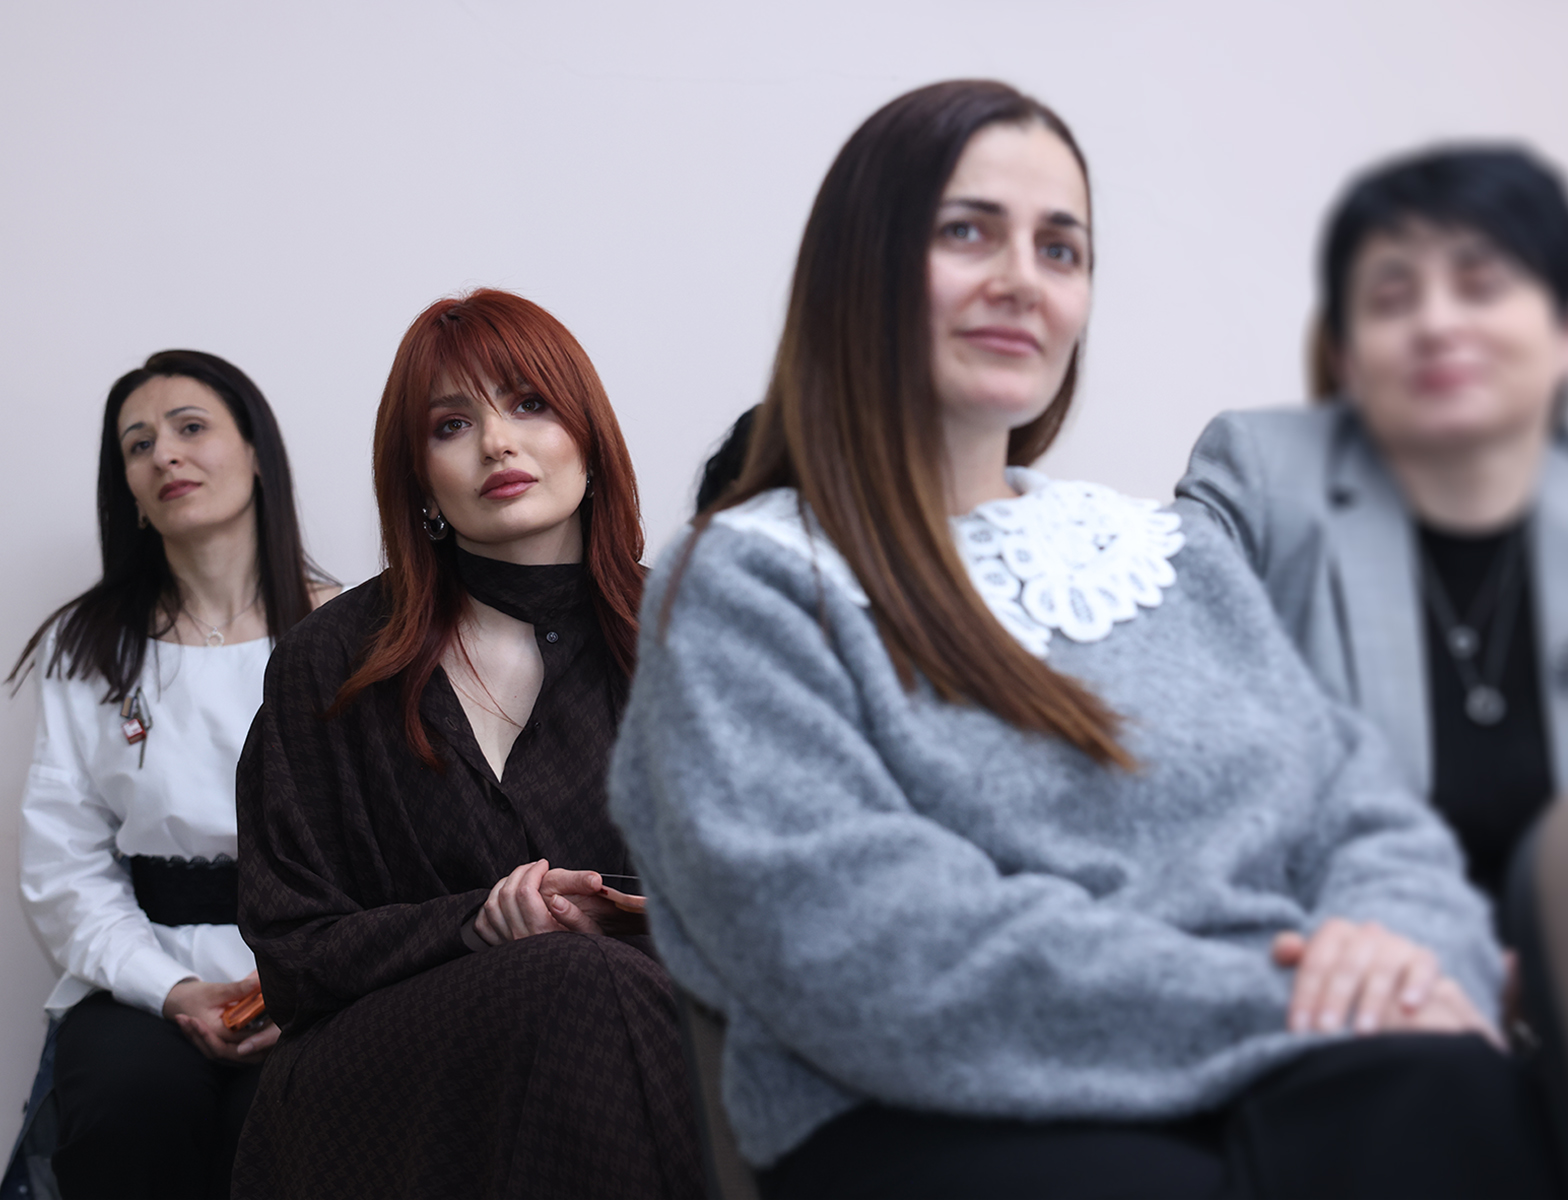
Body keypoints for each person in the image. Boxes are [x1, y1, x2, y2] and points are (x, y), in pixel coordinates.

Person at [607, 80, 1561, 1198]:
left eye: (1061, 249)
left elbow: (1367, 819)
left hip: (1305, 1074)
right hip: (955, 1120)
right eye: (969, 232)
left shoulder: (1172, 555)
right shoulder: (743, 583)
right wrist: (1299, 1001)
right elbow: (871, 950)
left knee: (1465, 1102)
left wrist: (1400, 947)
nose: (1023, 279)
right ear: (855, 268)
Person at [230, 289, 701, 1199]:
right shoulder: (330, 662)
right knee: (577, 985)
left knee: (593, 990)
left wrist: (634, 917)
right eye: (453, 424)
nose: (496, 443)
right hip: (390, 1082)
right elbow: (291, 953)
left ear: (589, 438)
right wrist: (475, 924)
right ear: (420, 480)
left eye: (530, 404)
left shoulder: (697, 638)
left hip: (650, 1052)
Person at [1177, 147, 1568, 909]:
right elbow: (1175, 724)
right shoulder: (1261, 479)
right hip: (1340, 936)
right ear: (1345, 357)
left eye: (1480, 286)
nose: (1437, 324)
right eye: (1392, 299)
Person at [6, 350, 337, 1200]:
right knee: (128, 1100)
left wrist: (304, 980)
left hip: (316, 970)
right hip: (145, 971)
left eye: (191, 428)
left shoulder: (347, 631)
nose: (166, 455)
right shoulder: (88, 646)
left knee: (291, 1119)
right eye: (139, 444)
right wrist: (175, 990)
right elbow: (63, 862)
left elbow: (385, 846)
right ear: (128, 488)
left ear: (256, 452)